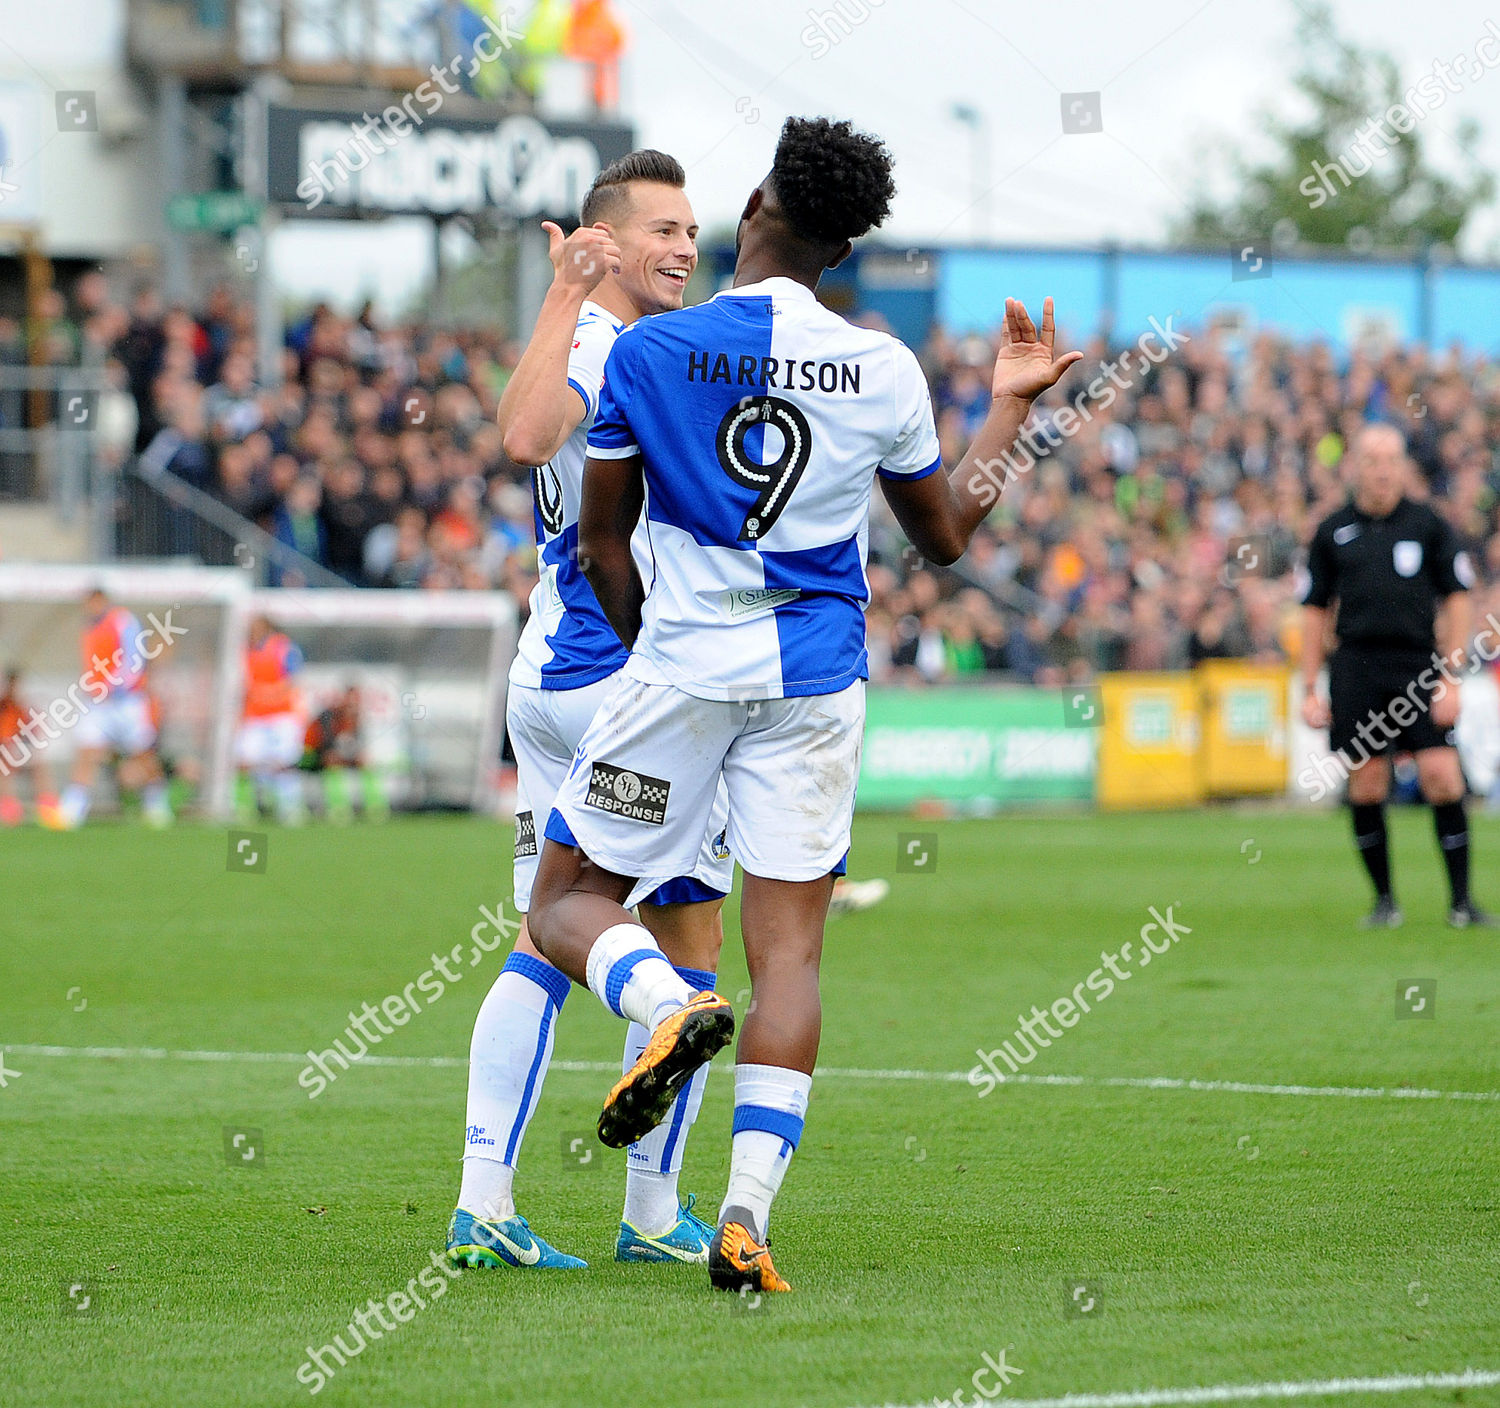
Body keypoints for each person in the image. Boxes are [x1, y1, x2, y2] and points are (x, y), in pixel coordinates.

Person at [526, 115, 1082, 1292]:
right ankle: (742, 1222)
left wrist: (653, 657)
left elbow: (601, 542)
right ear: (841, 245)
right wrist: (1010, 406)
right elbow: (945, 537)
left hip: (682, 669)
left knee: (568, 900)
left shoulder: (654, 352)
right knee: (792, 961)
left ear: (756, 211)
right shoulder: (882, 365)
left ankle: (668, 1004)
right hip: (818, 680)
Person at [446, 149, 734, 1275]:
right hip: (625, 688)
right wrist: (569, 288)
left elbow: (522, 439)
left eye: (690, 229)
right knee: (691, 942)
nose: (683, 246)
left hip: (551, 675)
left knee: (545, 935)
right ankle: (654, 1210)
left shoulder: (595, 339)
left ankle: (485, 1203)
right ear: (604, 237)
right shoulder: (620, 345)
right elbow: (523, 442)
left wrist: (564, 296)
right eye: (660, 228)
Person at [1300, 421, 1492, 928]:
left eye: (1391, 461)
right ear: (1355, 467)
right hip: (1355, 668)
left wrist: (1451, 676)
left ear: (1404, 467)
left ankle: (1461, 904)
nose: (1382, 471)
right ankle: (1385, 903)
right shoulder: (1332, 530)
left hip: (1418, 667)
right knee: (1366, 784)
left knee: (1442, 778)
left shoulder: (1429, 526)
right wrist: (1308, 687)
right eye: (1372, 460)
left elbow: (1457, 598)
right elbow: (1314, 611)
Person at [42, 589, 173, 829]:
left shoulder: (122, 620)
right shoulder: (89, 627)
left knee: (142, 754)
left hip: (127, 701)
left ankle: (157, 803)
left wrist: (110, 685)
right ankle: (72, 811)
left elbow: (134, 658)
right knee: (87, 751)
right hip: (99, 704)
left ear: (101, 600)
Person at [236, 616, 308, 825]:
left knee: (283, 762)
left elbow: (292, 680)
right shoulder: (243, 649)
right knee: (246, 760)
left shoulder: (283, 647)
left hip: (282, 714)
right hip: (254, 715)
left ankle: (290, 808)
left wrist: (268, 693)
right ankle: (248, 806)